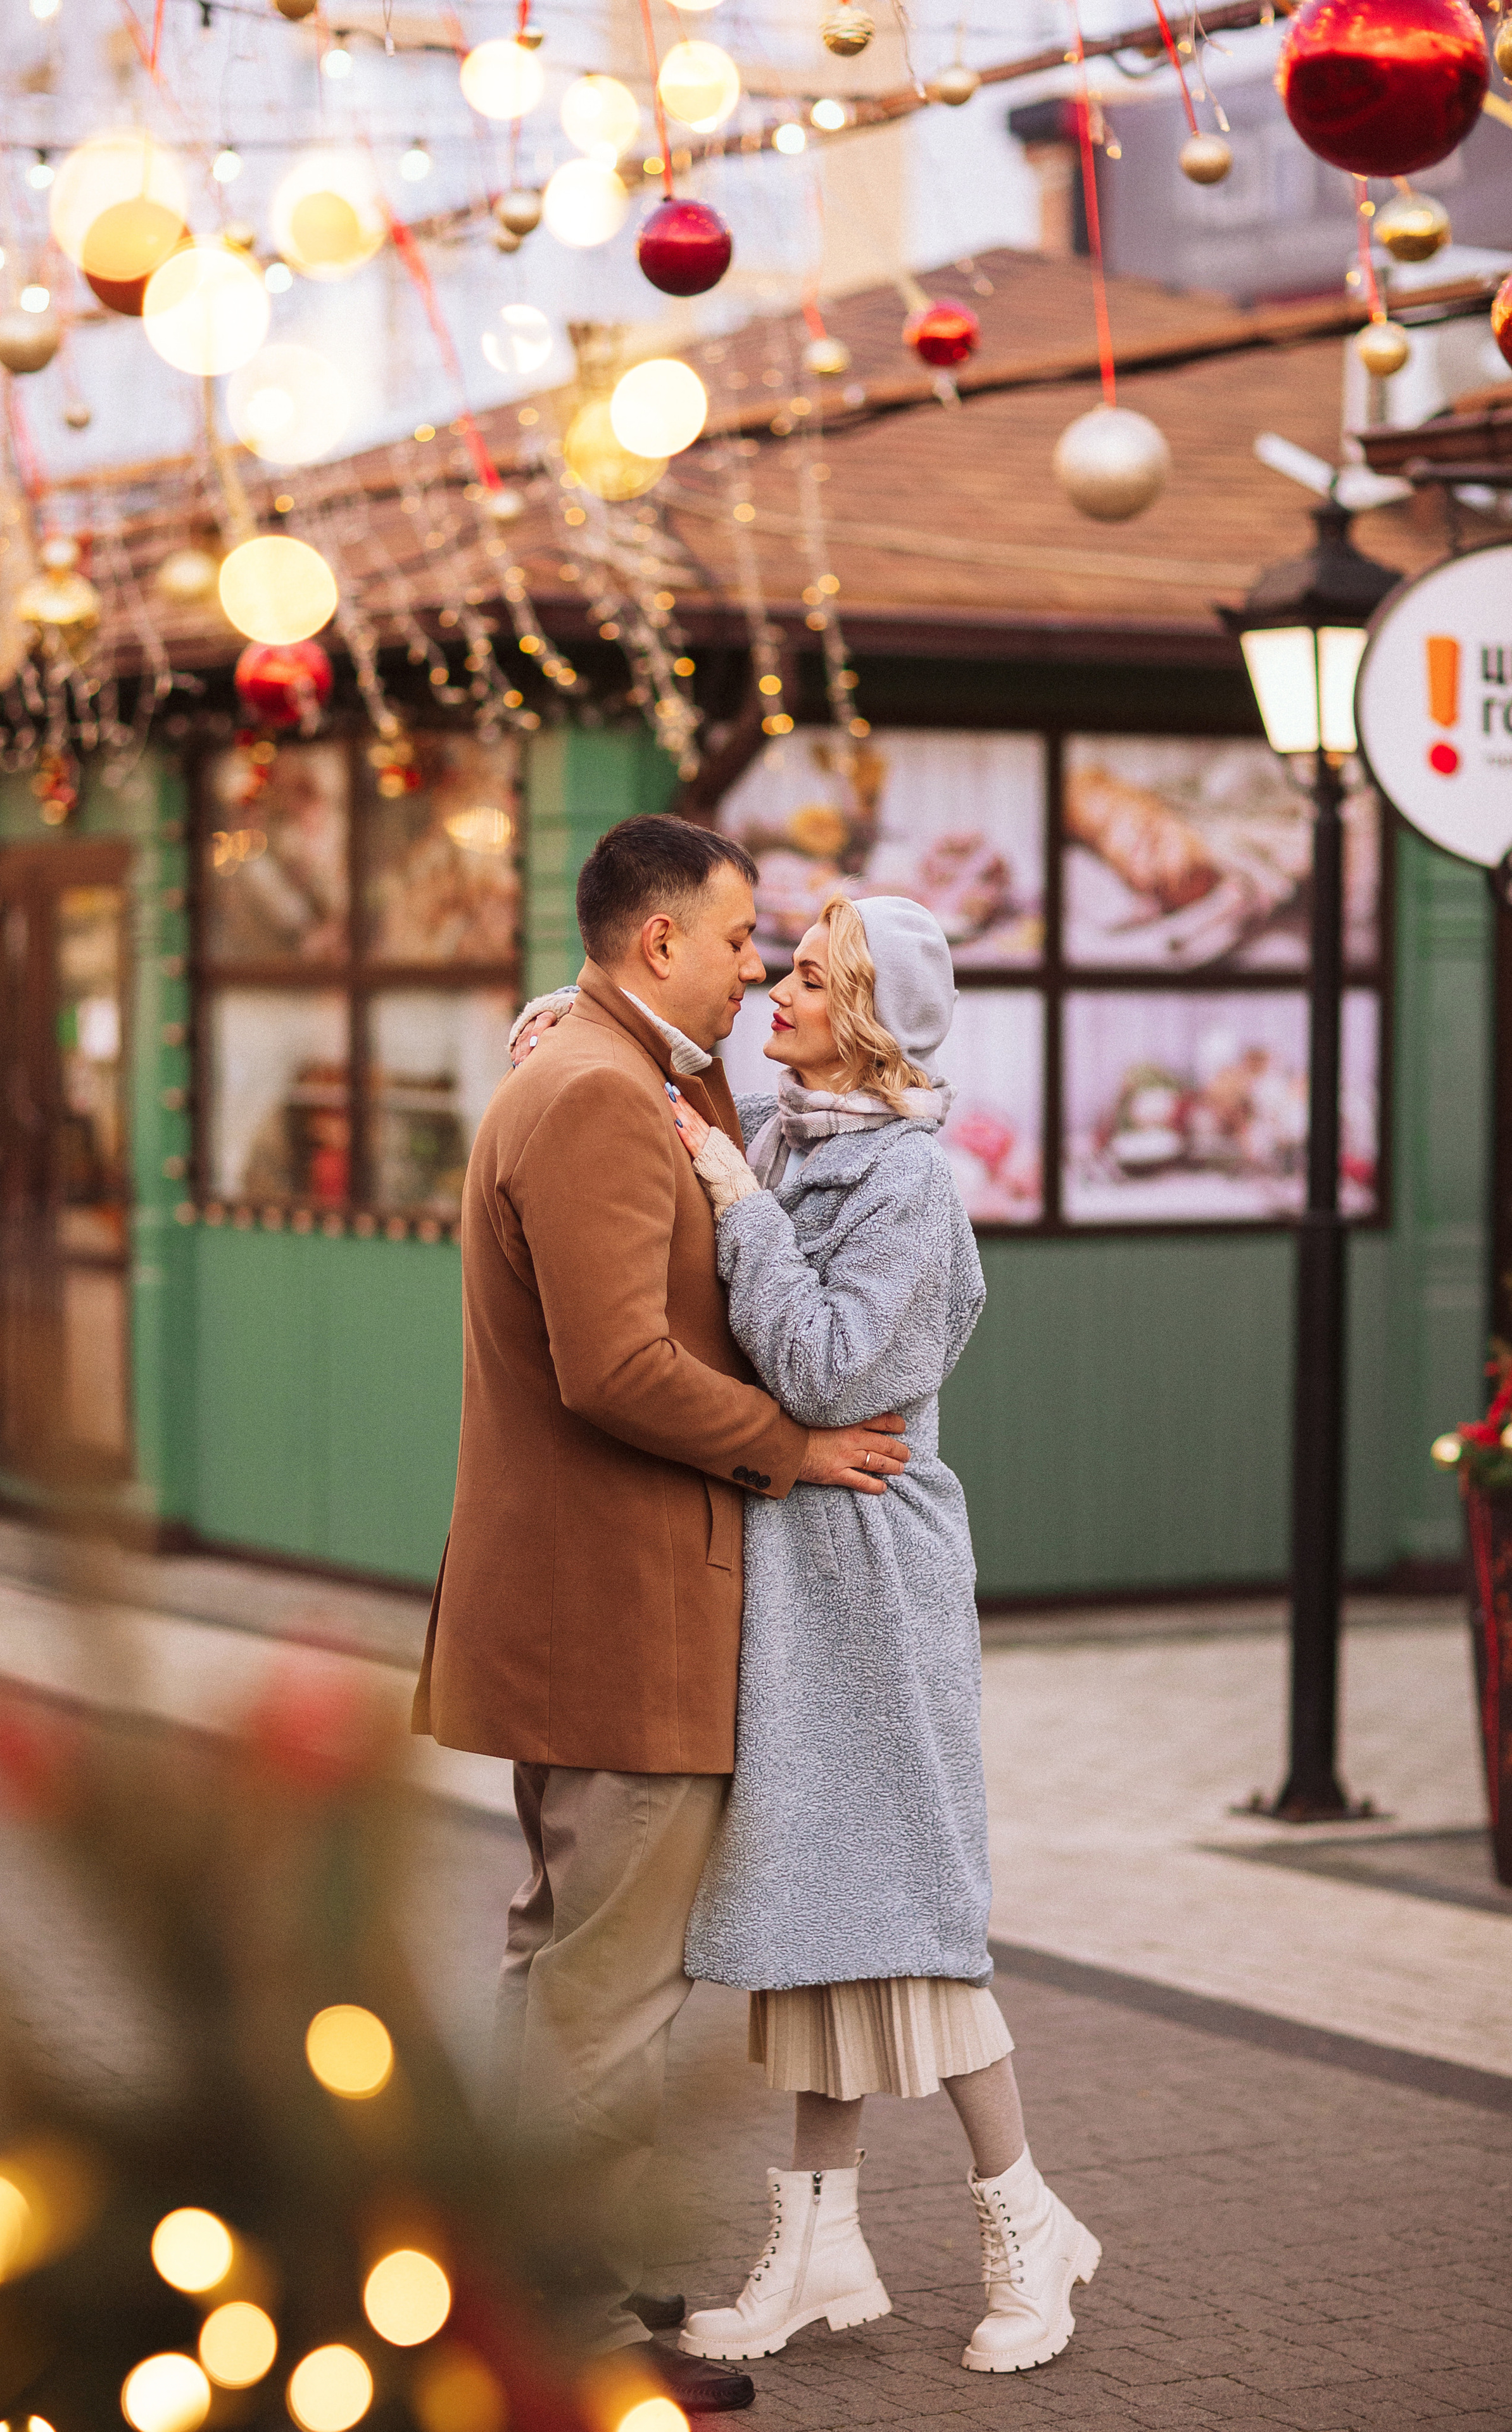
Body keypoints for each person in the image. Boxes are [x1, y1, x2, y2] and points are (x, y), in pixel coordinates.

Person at [411, 816, 912, 2412]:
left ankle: (529, 2271)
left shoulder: (616, 1074)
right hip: (619, 1615)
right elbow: (616, 1366)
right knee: (606, 1991)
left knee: (561, 1963)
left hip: (592, 1610)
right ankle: (561, 2321)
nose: (755, 966)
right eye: (740, 937)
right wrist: (793, 1446)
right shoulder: (596, 1093)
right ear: (657, 943)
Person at [667, 892, 1100, 2378]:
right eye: (782, 966)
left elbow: (825, 1367)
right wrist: (549, 1023)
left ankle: (1028, 2222)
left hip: (871, 1578)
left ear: (863, 1015)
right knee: (812, 1909)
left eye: (808, 975)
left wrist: (735, 1204)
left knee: (908, 1910)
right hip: (802, 1569)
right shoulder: (791, 1139)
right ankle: (818, 2247)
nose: (775, 990)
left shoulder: (903, 1184)